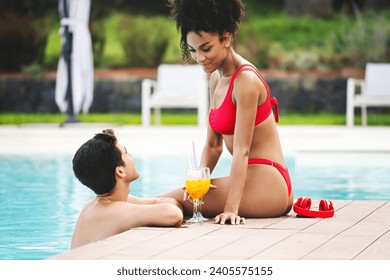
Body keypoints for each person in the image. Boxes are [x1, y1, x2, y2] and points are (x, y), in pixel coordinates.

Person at [161, 0, 294, 225]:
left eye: (206, 48)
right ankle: (123, 209)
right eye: (193, 50)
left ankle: (121, 208)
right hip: (252, 181)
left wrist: (231, 209)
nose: (200, 58)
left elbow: (242, 151)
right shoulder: (216, 78)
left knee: (172, 200)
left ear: (226, 38)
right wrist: (198, 183)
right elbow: (213, 146)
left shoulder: (246, 81)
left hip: (270, 183)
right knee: (179, 198)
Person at [71, 129, 183, 249]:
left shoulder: (100, 204)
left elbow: (163, 202)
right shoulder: (114, 211)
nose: (131, 155)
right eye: (126, 153)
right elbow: (173, 214)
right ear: (120, 171)